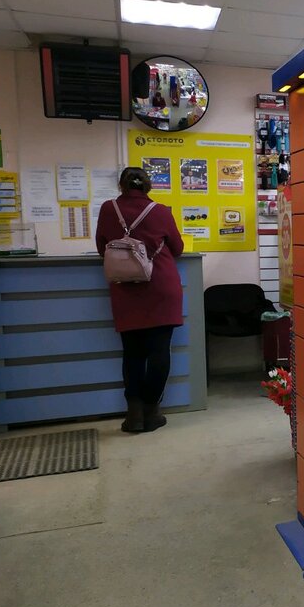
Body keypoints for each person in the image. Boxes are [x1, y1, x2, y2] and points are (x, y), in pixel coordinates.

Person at [95, 167, 184, 433]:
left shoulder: (108, 209)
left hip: (125, 289)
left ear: (121, 185)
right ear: (148, 186)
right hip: (161, 288)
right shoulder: (160, 211)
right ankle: (152, 411)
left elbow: (102, 247)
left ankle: (134, 414)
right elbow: (178, 248)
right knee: (159, 351)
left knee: (132, 353)